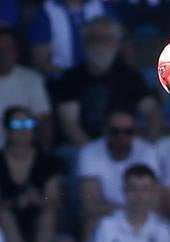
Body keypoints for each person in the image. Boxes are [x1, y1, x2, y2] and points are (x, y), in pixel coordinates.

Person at [53, 17, 158, 147]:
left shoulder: (130, 76)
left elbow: (153, 112)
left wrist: (146, 146)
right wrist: (93, 154)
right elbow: (70, 125)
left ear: (116, 43)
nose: (99, 43)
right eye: (94, 39)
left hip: (125, 148)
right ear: (85, 43)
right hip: (82, 148)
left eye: (106, 38)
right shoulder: (70, 78)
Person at [77, 109, 159, 236]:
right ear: (105, 131)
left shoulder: (147, 151)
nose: (121, 136)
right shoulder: (89, 152)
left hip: (140, 214)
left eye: (128, 132)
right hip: (105, 216)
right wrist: (127, 210)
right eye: (115, 131)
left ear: (135, 132)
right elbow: (90, 206)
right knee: (92, 222)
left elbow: (154, 200)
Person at [0, 104, 63, 242]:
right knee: (4, 215)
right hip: (6, 223)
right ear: (6, 130)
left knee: (49, 213)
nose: (23, 130)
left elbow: (53, 197)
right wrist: (14, 202)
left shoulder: (47, 161)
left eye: (28, 124)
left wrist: (39, 199)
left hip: (38, 220)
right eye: (17, 125)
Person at [0, 27, 51, 149]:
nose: (2, 53)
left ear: (16, 51)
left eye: (7, 48)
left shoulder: (32, 79)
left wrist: (45, 153)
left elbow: (44, 121)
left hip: (22, 153)